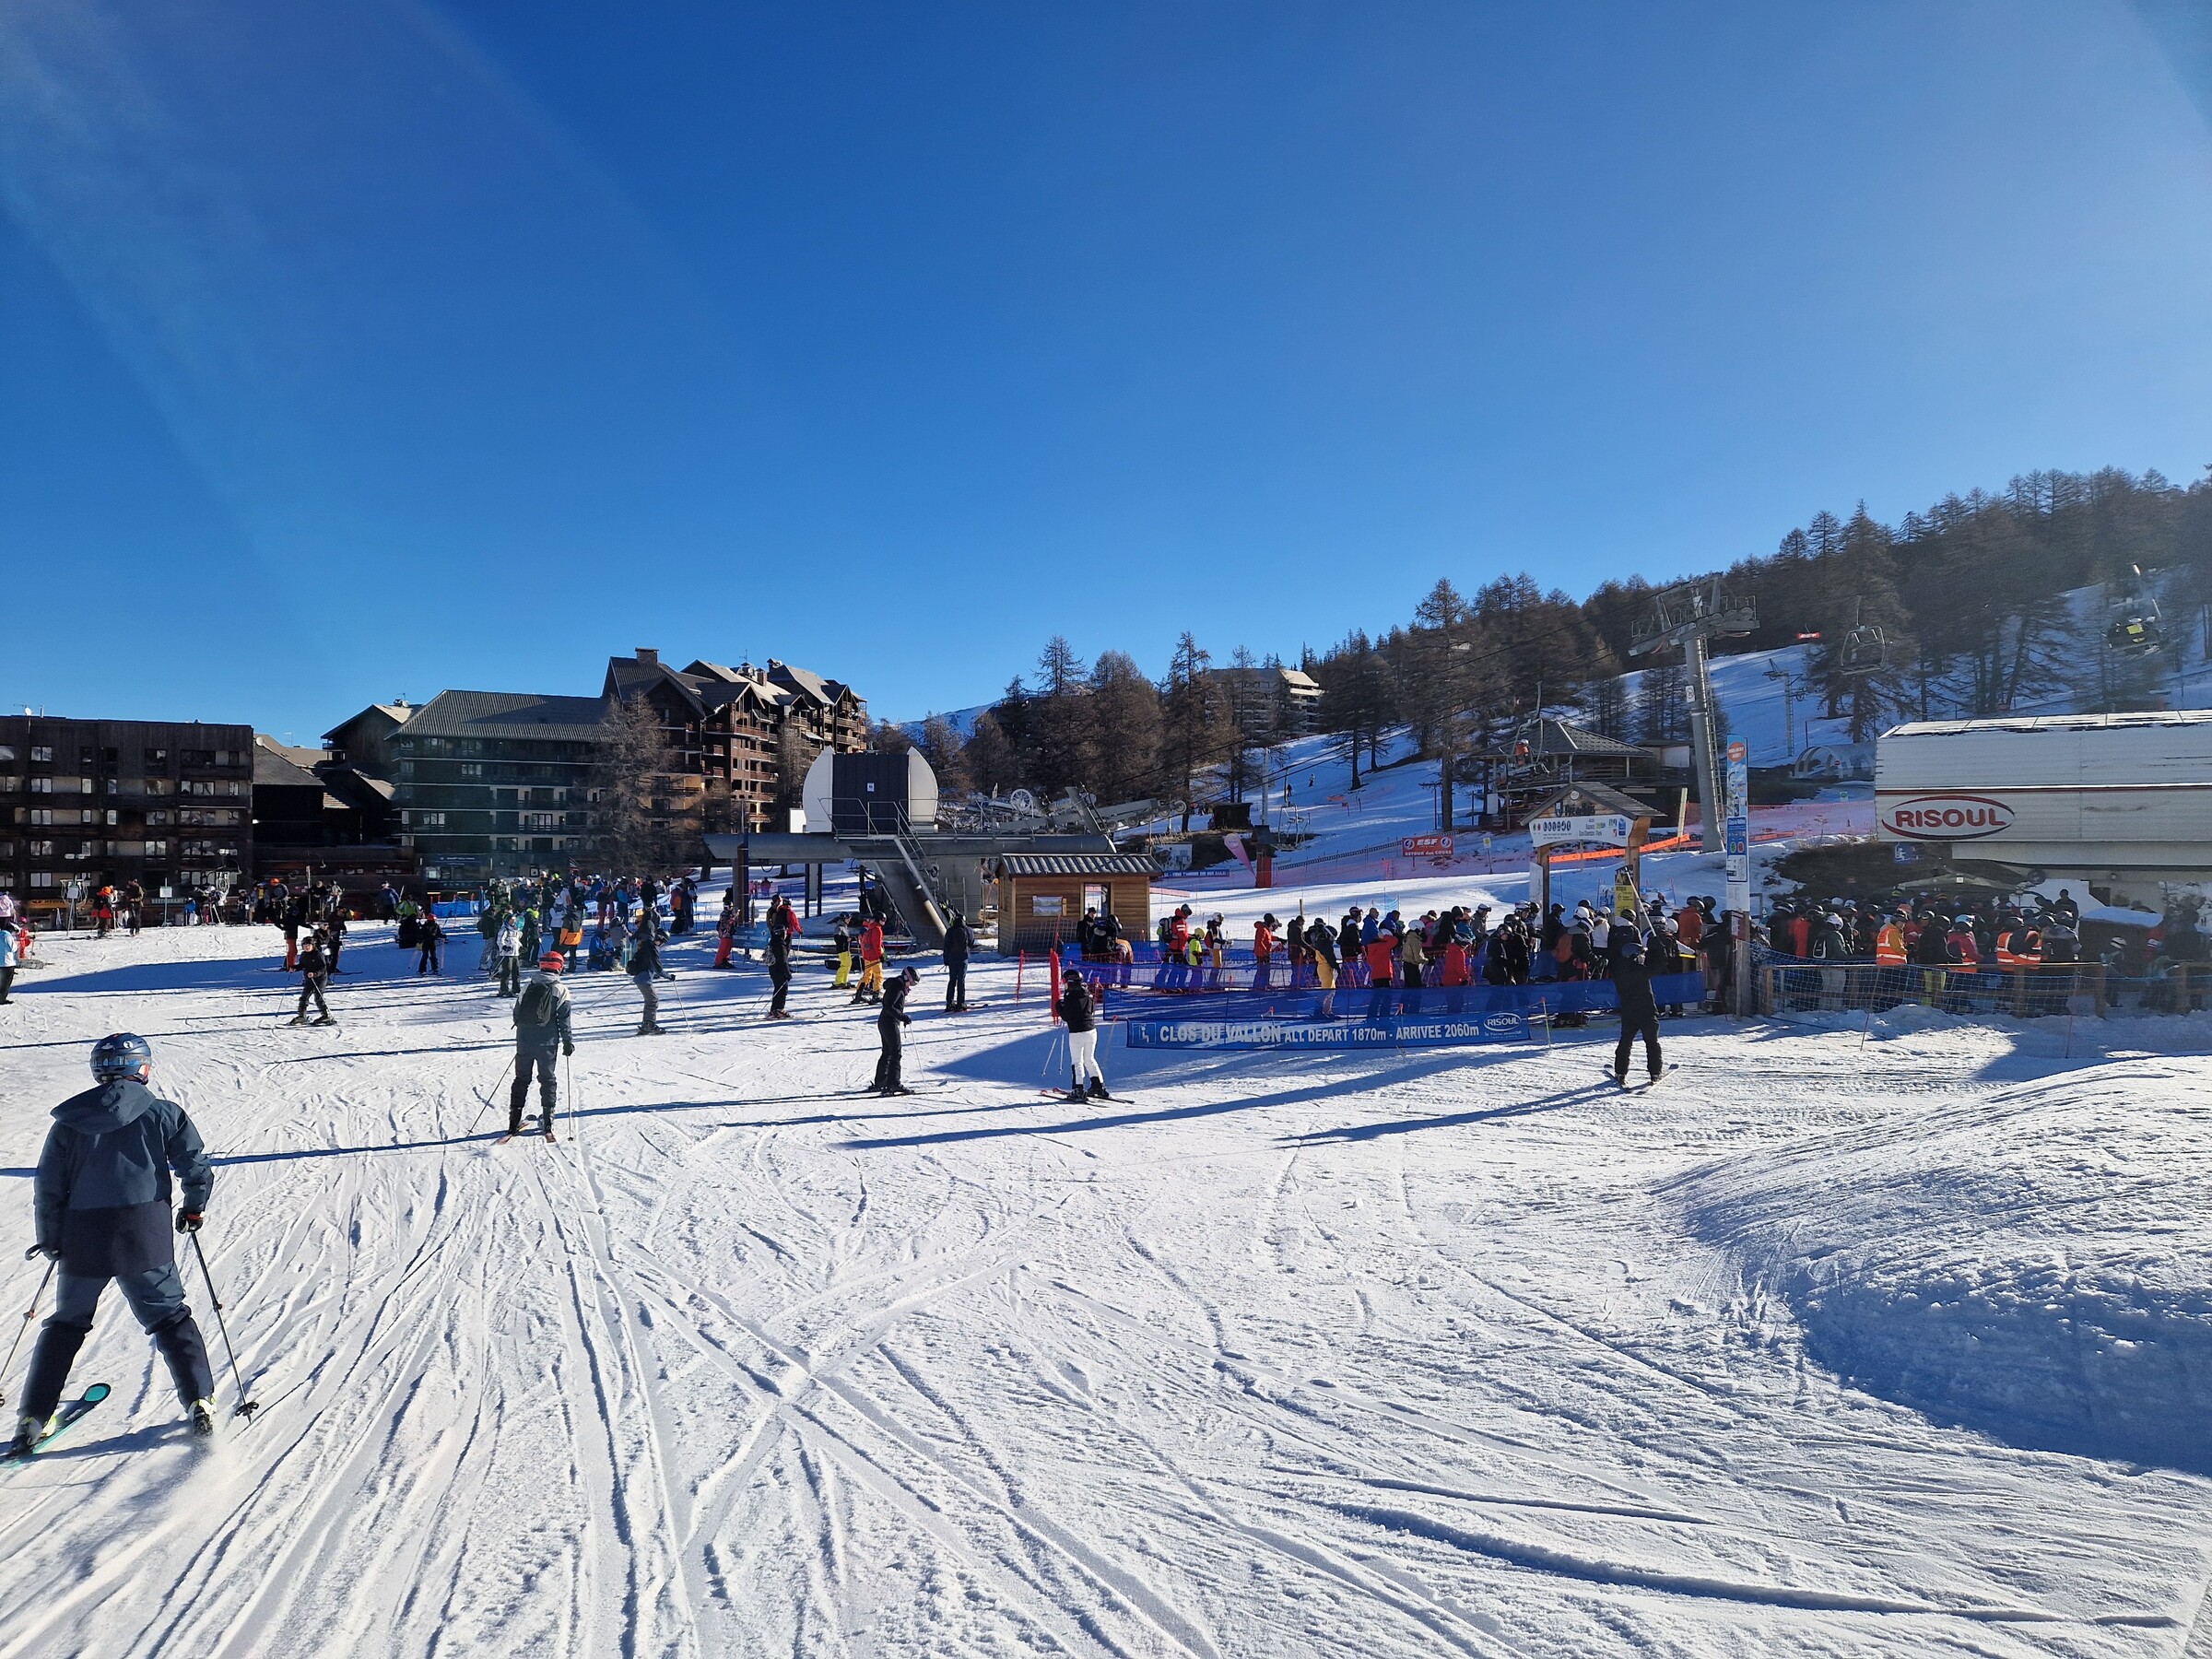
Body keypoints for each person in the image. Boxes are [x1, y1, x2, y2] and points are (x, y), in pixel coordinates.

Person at [18, 1034, 218, 1452]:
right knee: (169, 1317)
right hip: (145, 1232)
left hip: (84, 1236)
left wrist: (51, 1238)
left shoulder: (69, 1122)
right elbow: (195, 1166)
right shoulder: (164, 1113)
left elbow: (49, 1187)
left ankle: (34, 1417)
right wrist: (194, 1208)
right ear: (142, 1068)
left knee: (67, 1324)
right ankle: (199, 1400)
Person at [508, 952, 576, 1138]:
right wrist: (568, 1042)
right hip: (547, 1042)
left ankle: (513, 1120)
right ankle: (548, 1121)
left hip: (524, 1040)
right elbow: (564, 1020)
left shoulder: (527, 986)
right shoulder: (560, 989)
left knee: (521, 1079)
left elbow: (517, 1014)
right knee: (547, 1079)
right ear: (559, 967)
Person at [1610, 938, 1663, 1087]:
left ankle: (1620, 1071)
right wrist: (1660, 947)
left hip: (1629, 1013)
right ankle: (1655, 1072)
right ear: (1633, 957)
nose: (1643, 957)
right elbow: (1659, 965)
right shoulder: (1639, 971)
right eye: (1641, 955)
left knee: (1625, 1042)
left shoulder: (1621, 971)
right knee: (1652, 1043)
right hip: (1646, 1012)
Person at [1061, 967, 1112, 1101]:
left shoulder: (1071, 997)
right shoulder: (1087, 993)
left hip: (1077, 1033)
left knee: (1077, 1061)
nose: (1063, 984)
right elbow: (1091, 1008)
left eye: (1064, 981)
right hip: (1091, 1031)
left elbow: (1067, 1016)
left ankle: (1079, 1090)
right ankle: (1098, 1086)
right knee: (1089, 1059)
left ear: (1070, 982)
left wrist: (1059, 1006)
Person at [872, 966, 917, 1095]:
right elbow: (889, 1006)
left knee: (887, 1052)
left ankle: (881, 1081)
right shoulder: (897, 987)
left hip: (885, 1021)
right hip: (889, 1023)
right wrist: (903, 1017)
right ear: (906, 978)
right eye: (912, 983)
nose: (911, 986)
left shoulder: (895, 985)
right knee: (896, 1053)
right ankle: (893, 1083)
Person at [289, 925, 336, 1026]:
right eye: (305, 945)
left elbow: (323, 968)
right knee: (304, 997)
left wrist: (315, 974)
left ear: (312, 945)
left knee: (318, 997)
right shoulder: (304, 955)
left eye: (308, 945)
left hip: (320, 979)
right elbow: (302, 965)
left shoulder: (318, 954)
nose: (307, 947)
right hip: (309, 979)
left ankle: (326, 1016)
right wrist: (294, 967)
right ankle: (302, 1016)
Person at [630, 918, 666, 1034]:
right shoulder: (652, 947)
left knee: (650, 1000)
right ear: (659, 939)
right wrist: (668, 976)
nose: (661, 945)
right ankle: (649, 1025)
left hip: (641, 977)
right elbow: (658, 968)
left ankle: (647, 1023)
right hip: (643, 979)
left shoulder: (645, 945)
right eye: (662, 942)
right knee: (653, 1000)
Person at [766, 899, 794, 1019]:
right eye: (784, 932)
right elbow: (783, 960)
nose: (786, 934)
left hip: (773, 969)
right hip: (779, 970)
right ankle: (778, 1009)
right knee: (783, 989)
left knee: (778, 988)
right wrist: (788, 973)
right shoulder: (780, 944)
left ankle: (774, 1009)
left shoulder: (774, 941)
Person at [943, 908, 972, 1012]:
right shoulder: (968, 930)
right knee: (961, 981)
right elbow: (971, 942)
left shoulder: (950, 931)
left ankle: (949, 1002)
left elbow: (946, 946)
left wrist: (946, 959)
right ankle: (961, 1003)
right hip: (963, 958)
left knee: (952, 980)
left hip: (952, 959)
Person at [853, 916, 885, 1005]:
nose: (884, 922)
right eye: (883, 920)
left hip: (867, 957)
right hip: (874, 957)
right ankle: (875, 996)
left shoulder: (869, 929)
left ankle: (858, 995)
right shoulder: (877, 929)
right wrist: (880, 956)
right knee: (878, 976)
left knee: (867, 976)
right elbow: (877, 944)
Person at [494, 911, 523, 998]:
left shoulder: (516, 930)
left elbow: (516, 941)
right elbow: (499, 940)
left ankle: (516, 989)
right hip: (506, 954)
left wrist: (521, 947)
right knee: (507, 971)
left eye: (514, 920)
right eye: (511, 920)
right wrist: (504, 947)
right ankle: (504, 989)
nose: (513, 921)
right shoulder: (504, 930)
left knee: (516, 971)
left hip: (515, 953)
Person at [416, 908, 444, 975]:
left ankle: (435, 969)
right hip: (426, 942)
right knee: (425, 956)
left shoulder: (436, 926)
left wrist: (443, 936)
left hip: (432, 943)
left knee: (433, 956)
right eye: (432, 920)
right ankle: (422, 970)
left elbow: (439, 933)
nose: (433, 922)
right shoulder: (425, 926)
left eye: (434, 920)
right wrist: (420, 939)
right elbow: (421, 934)